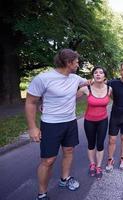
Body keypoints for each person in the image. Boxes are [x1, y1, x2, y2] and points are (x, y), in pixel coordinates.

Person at [25, 49, 88, 200]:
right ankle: (42, 194)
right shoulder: (43, 78)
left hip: (70, 122)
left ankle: (64, 179)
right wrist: (33, 127)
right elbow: (30, 102)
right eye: (77, 62)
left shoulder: (75, 78)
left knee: (69, 152)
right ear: (68, 63)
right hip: (51, 124)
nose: (78, 64)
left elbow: (91, 82)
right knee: (48, 160)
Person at [77, 66, 112, 179]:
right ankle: (92, 164)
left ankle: (98, 166)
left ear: (104, 76)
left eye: (101, 73)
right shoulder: (86, 89)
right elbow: (69, 98)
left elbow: (119, 99)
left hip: (103, 120)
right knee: (91, 144)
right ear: (93, 76)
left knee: (100, 144)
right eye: (95, 72)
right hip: (89, 121)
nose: (98, 74)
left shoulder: (109, 89)